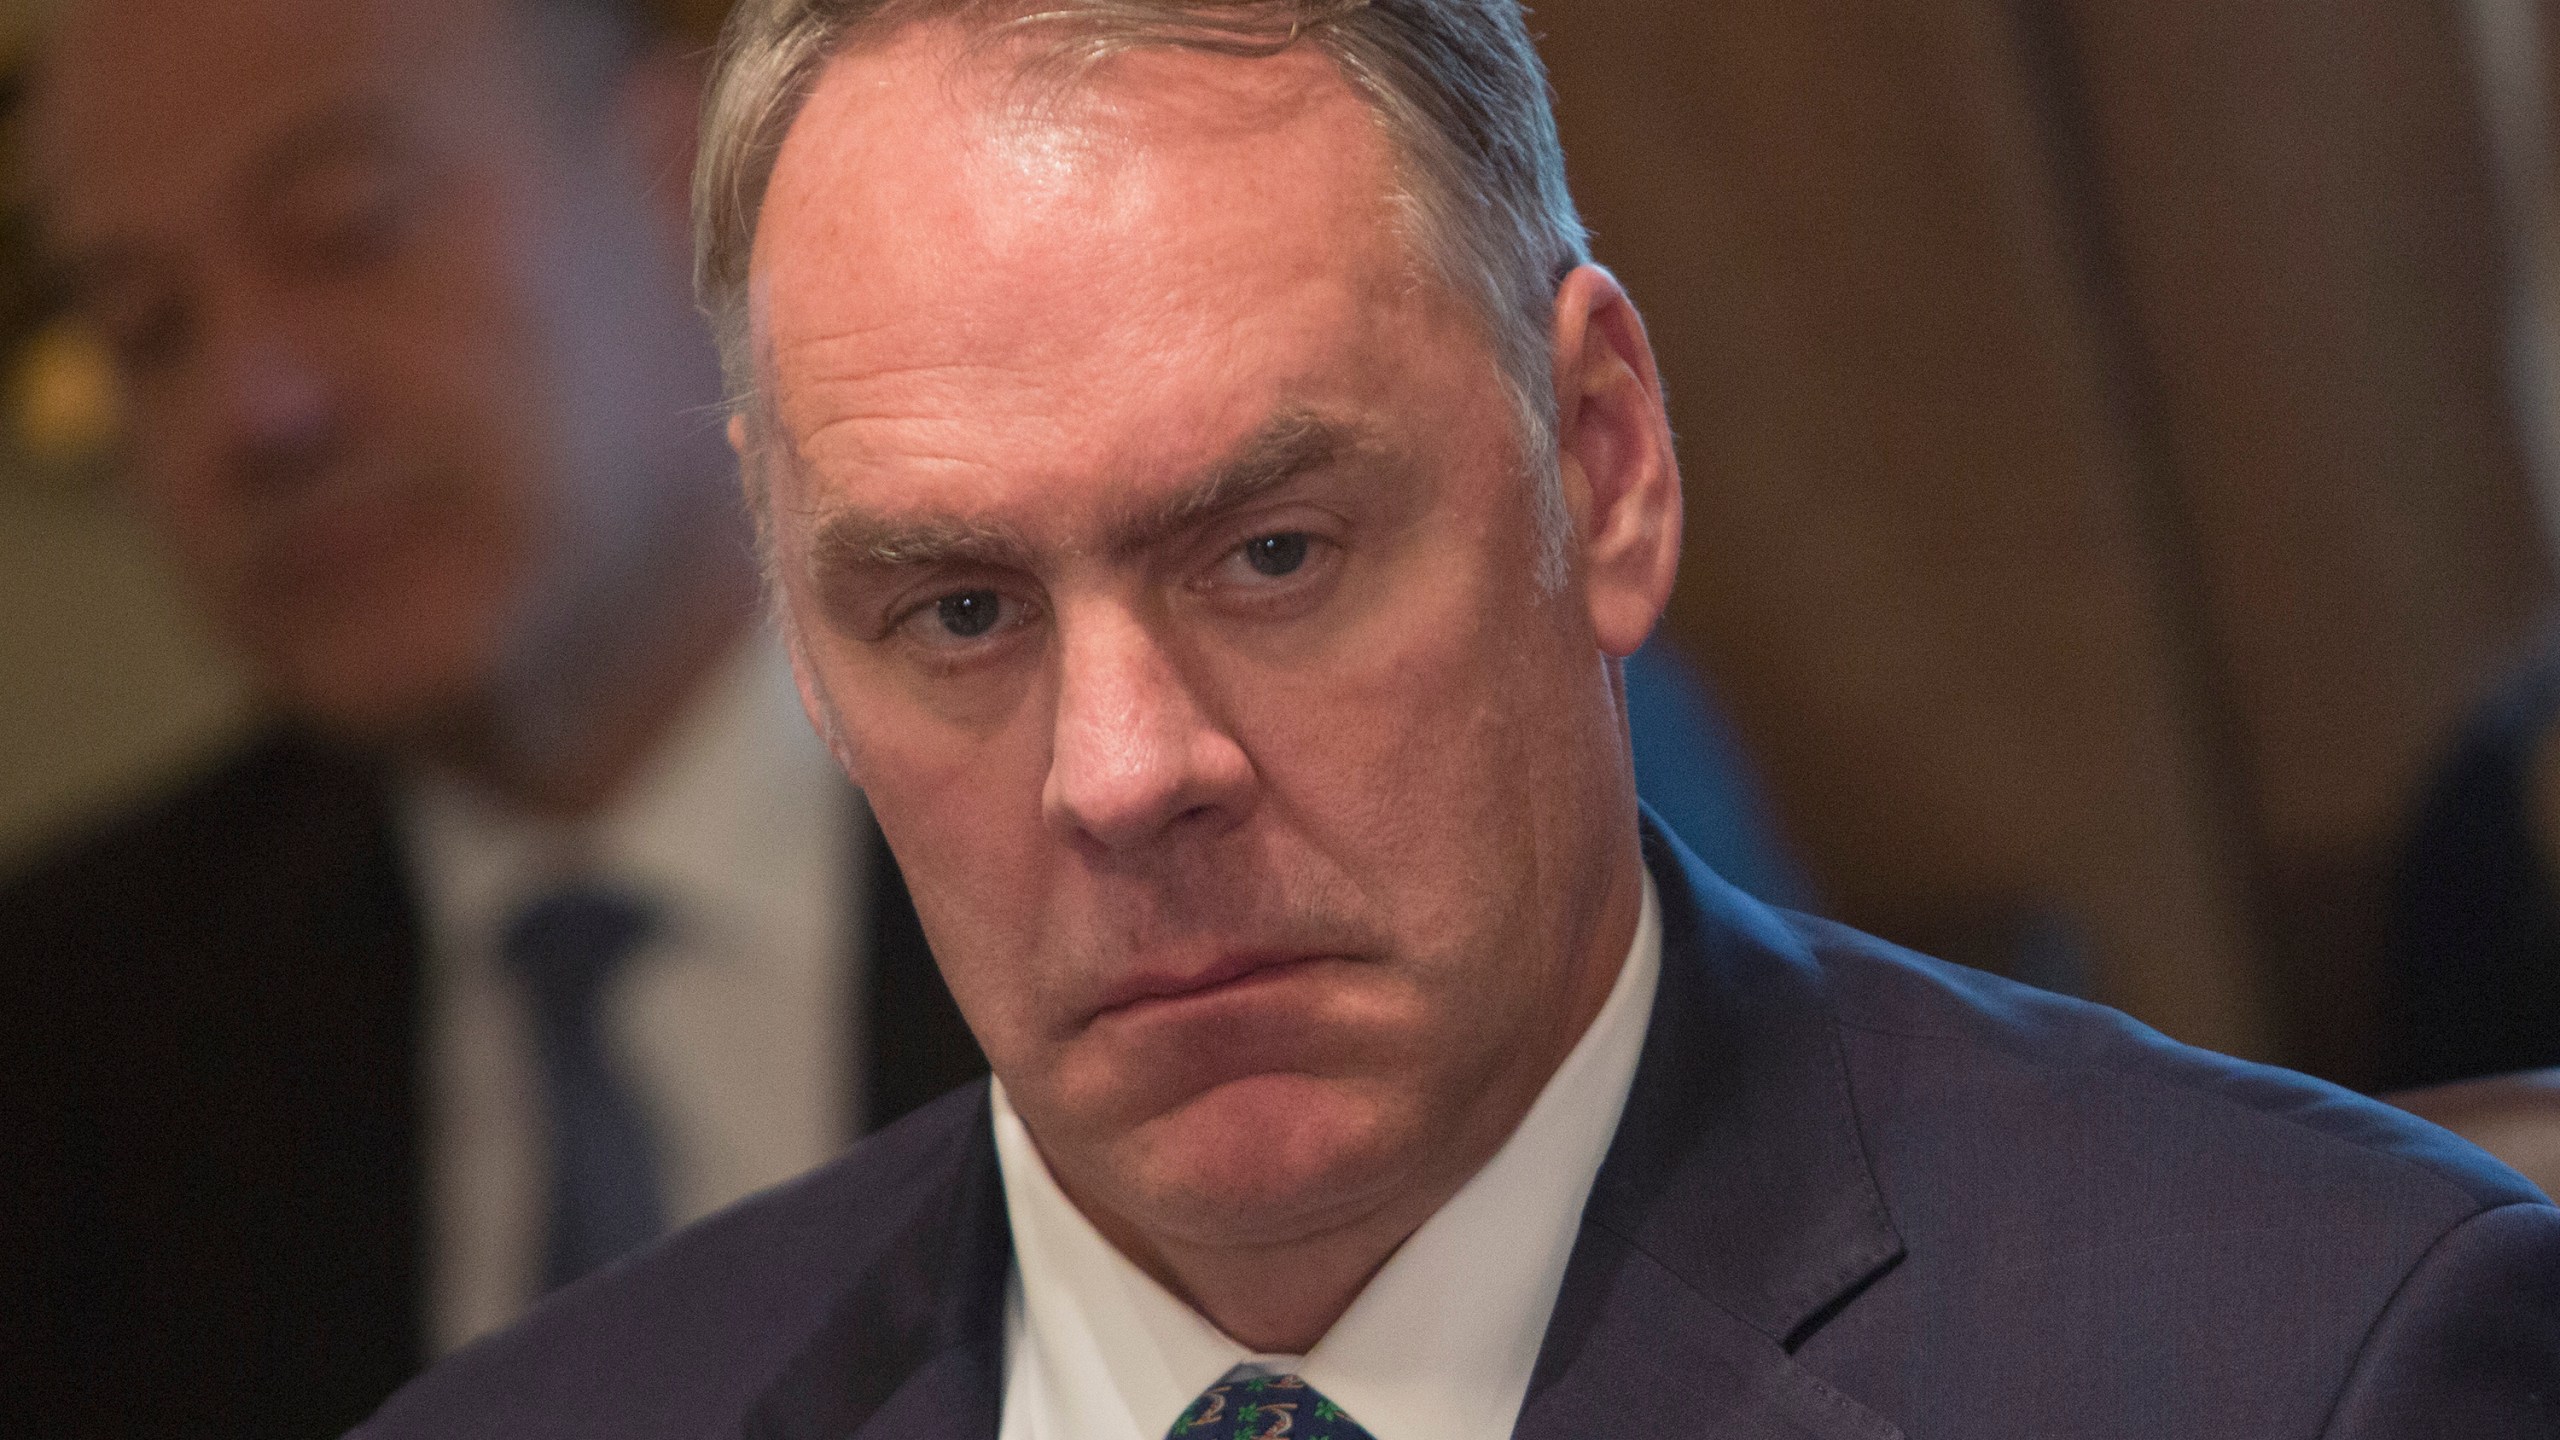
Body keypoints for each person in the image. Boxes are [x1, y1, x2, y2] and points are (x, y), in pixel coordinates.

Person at [360, 0, 2555, 1433]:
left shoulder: (2308, 1364)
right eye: (954, 612)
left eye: (1271, 555)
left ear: (1597, 461)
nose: (1123, 773)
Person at [0, 1, 993, 1434]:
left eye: (347, 230)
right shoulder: (71, 1063)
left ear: (686, 178)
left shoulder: (1147, 827)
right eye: (148, 328)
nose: (254, 407)